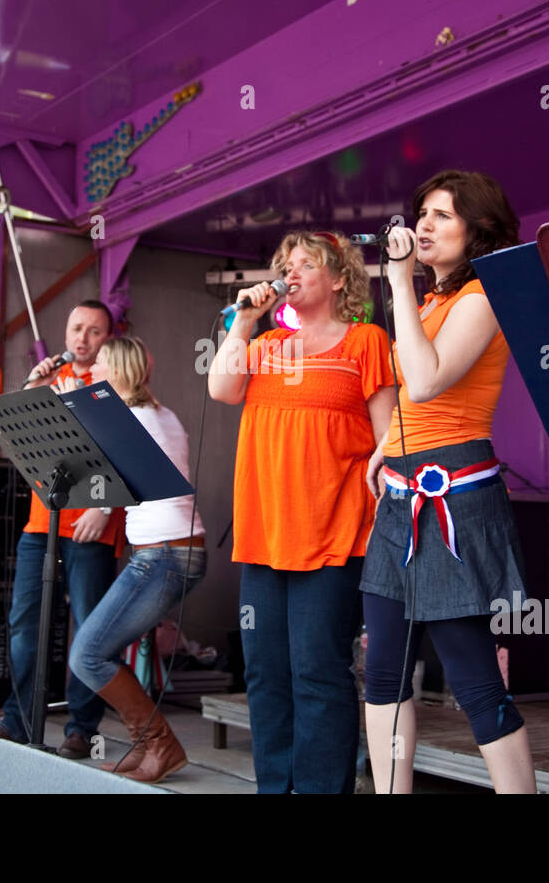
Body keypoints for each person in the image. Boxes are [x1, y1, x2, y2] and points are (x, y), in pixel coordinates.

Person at [362, 169, 536, 794]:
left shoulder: (483, 298)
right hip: (403, 491)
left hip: (453, 494)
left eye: (442, 216)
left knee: (471, 674)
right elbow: (414, 396)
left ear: (477, 230)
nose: (423, 225)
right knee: (383, 669)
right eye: (422, 213)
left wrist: (398, 285)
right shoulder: (432, 300)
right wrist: (385, 448)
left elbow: (430, 378)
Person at [209, 230, 396, 793]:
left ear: (339, 279)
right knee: (266, 674)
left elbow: (389, 438)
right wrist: (242, 320)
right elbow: (221, 388)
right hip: (266, 534)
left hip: (335, 531)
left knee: (317, 672)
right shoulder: (262, 346)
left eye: (305, 265)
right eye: (285, 265)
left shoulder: (365, 340)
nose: (290, 273)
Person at [0, 299, 123, 758]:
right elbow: (14, 441)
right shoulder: (50, 378)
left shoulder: (113, 379)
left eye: (94, 331)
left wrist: (106, 507)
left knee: (89, 627)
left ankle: (82, 728)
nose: (82, 338)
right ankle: (16, 721)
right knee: (24, 622)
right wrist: (31, 386)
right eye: (77, 328)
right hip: (42, 522)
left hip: (91, 523)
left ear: (107, 339)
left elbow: (123, 449)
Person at [66, 336, 206, 783]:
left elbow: (100, 473)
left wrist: (64, 407)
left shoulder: (135, 418)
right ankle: (148, 743)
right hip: (169, 552)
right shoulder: (159, 414)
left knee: (87, 654)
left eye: (103, 363)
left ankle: (160, 745)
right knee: (98, 650)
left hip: (164, 555)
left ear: (120, 373)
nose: (95, 370)